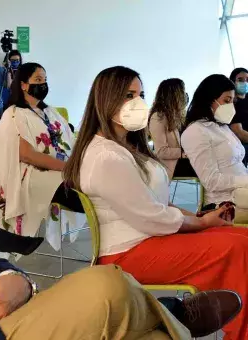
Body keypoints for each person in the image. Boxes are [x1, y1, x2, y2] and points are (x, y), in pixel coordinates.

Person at [0, 26, 238, 340]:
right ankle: (171, 313)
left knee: (118, 299)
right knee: (107, 288)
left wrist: (16, 280)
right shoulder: (21, 120)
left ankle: (167, 319)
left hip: (1, 307)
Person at [63, 66, 247, 340]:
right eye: (128, 95)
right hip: (130, 252)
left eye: (141, 94)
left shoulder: (122, 147)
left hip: (148, 238)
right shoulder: (106, 156)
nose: (137, 102)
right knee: (239, 246)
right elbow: (152, 216)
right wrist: (200, 222)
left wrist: (201, 218)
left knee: (238, 235)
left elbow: (155, 204)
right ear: (106, 99)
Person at [0, 62, 83, 239]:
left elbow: (71, 140)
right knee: (82, 191)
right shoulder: (14, 114)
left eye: (45, 80)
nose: (43, 84)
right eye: (37, 79)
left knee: (94, 184)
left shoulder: (50, 111)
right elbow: (26, 154)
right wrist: (66, 167)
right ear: (23, 85)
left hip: (59, 168)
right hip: (31, 175)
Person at [181, 74, 248, 223]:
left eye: (233, 101)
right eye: (226, 101)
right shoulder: (196, 131)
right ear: (209, 99)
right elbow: (211, 181)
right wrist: (245, 181)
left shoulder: (222, 127)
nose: (231, 106)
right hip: (226, 203)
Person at [149, 78, 196, 179]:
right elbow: (161, 152)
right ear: (174, 95)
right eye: (182, 92)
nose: (185, 95)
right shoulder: (158, 117)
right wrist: (184, 153)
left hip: (180, 161)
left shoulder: (175, 116)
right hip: (172, 165)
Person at [229, 67, 248, 165]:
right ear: (233, 82)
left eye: (247, 80)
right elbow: (238, 132)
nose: (245, 82)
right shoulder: (231, 103)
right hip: (240, 145)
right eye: (240, 80)